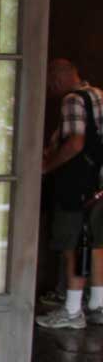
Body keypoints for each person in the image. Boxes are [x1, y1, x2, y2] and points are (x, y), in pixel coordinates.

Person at [37, 59, 103, 329]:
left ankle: (73, 311)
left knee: (71, 245)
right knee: (97, 244)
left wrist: (46, 167)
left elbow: (76, 142)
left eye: (51, 83)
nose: (51, 89)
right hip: (98, 185)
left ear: (59, 79)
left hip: (76, 185)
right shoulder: (100, 95)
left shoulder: (73, 100)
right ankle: (98, 305)